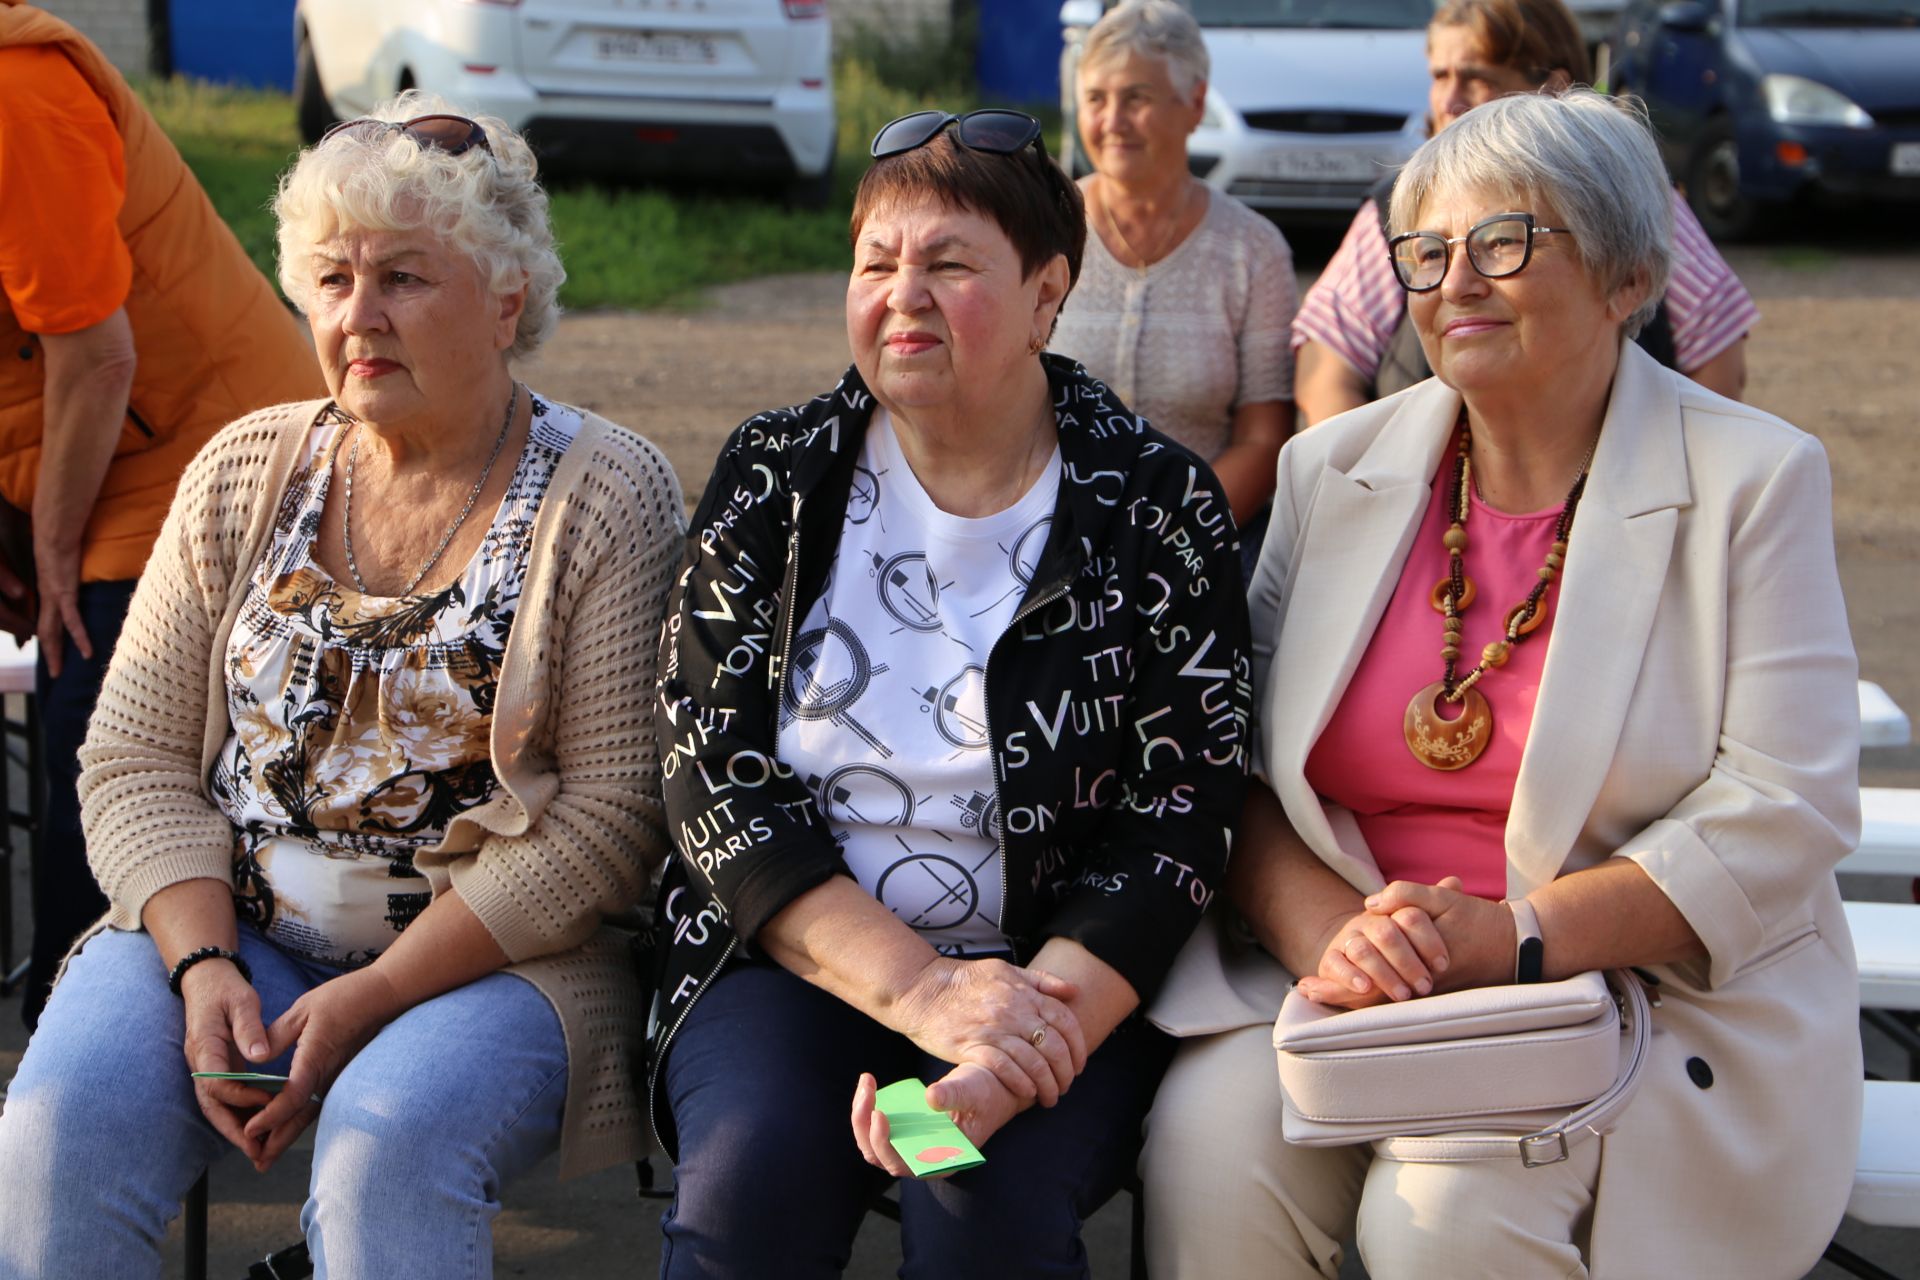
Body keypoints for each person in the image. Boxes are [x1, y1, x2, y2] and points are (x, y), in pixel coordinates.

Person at [1140, 90, 1860, 1279]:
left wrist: (1518, 938)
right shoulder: (1335, 465)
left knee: (1445, 1222)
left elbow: (1786, 802)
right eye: (1426, 251)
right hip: (1349, 971)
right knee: (1210, 1156)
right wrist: (1340, 938)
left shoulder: (1753, 477)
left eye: (1508, 241)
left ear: (1629, 278)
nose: (1456, 280)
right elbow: (1238, 761)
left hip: (1622, 982)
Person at [0, 93, 686, 1277]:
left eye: (405, 278)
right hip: (239, 929)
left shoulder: (610, 491)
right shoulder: (242, 466)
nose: (358, 318)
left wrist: (366, 1002)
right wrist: (203, 963)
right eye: (331, 280)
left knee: (382, 1148)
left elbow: (611, 823)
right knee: (57, 1129)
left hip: (493, 958)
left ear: (509, 294)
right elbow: (132, 758)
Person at [648, 108, 1252, 1279]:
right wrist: (920, 989)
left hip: (1053, 981)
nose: (902, 295)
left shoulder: (1154, 504)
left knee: (973, 1204)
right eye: (877, 263)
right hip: (801, 966)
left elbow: (1183, 808)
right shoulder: (778, 474)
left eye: (949, 264)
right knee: (752, 1178)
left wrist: (1008, 1041)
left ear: (1046, 294)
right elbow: (708, 769)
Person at [0, 0, 327, 1029]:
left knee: (90, 755)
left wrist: (50, 549)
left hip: (205, 469)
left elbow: (97, 357)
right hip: (81, 462)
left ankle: (80, 1058)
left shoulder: (20, 93)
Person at [1291, 0, 1757, 426]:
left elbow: (1718, 359)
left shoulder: (1629, 195)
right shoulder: (1397, 206)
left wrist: (1668, 479)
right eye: (1440, 75)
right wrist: (1377, 486)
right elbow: (1326, 371)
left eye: (1478, 77)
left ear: (1551, 86)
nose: (1451, 100)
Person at [1050, 0, 1295, 537]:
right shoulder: (1042, 228)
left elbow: (1263, 438)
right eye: (1095, 98)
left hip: (1199, 538)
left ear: (1195, 102)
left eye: (1136, 98)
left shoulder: (1253, 249)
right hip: (1048, 534)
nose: (1112, 122)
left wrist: (1172, 535)